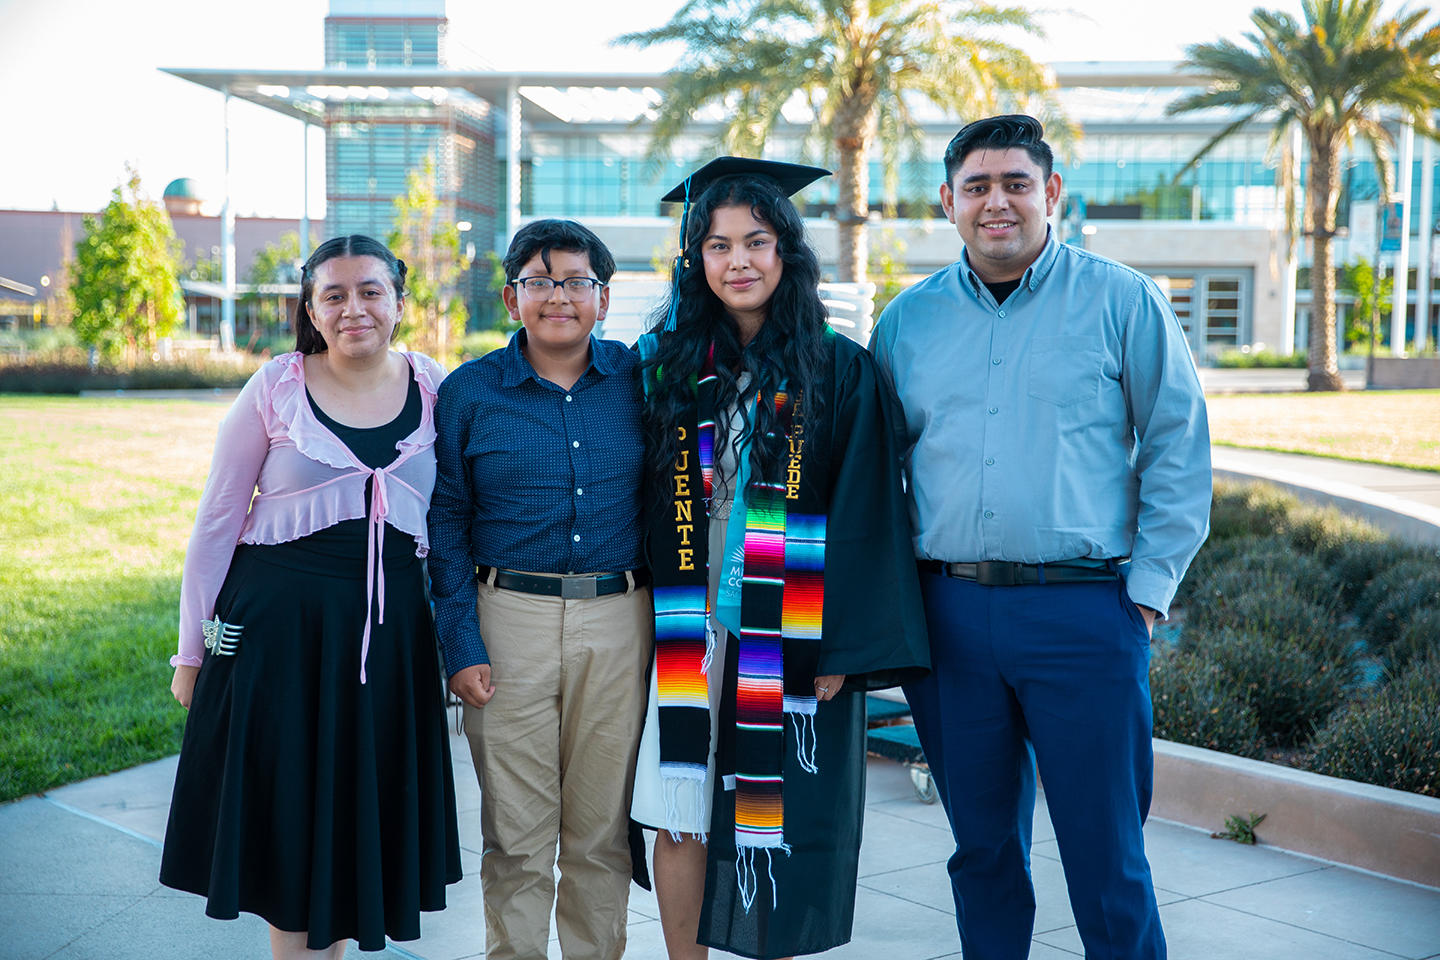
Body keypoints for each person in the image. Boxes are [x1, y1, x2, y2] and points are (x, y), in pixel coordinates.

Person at [870, 114, 1212, 959]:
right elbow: (877, 476)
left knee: (1108, 857)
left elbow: (1178, 445)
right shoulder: (905, 324)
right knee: (982, 851)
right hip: (947, 619)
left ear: (1051, 192)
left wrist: (1145, 598)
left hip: (1086, 616)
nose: (997, 203)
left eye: (1016, 183)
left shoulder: (1123, 300)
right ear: (947, 201)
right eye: (977, 187)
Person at [632, 157, 930, 960]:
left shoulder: (837, 367)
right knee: (681, 805)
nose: (738, 261)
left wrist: (838, 645)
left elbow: (870, 508)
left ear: (787, 252)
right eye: (718, 244)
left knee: (781, 811)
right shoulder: (661, 365)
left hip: (788, 627)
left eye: (757, 241)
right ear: (695, 259)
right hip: (685, 624)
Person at [160, 234, 462, 958]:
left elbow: (457, 523)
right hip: (277, 640)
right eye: (334, 294)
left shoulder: (437, 389)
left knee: (361, 825)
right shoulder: (276, 386)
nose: (353, 307)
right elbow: (217, 522)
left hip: (389, 645)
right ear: (311, 308)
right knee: (290, 825)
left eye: (370, 291)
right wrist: (190, 653)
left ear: (398, 301)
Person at [426, 218, 651, 960]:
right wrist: (460, 642)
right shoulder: (469, 392)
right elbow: (447, 520)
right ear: (510, 295)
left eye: (577, 281)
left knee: (600, 835)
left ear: (605, 297)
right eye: (540, 281)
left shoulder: (640, 382)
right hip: (506, 620)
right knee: (517, 840)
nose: (559, 296)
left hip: (621, 621)